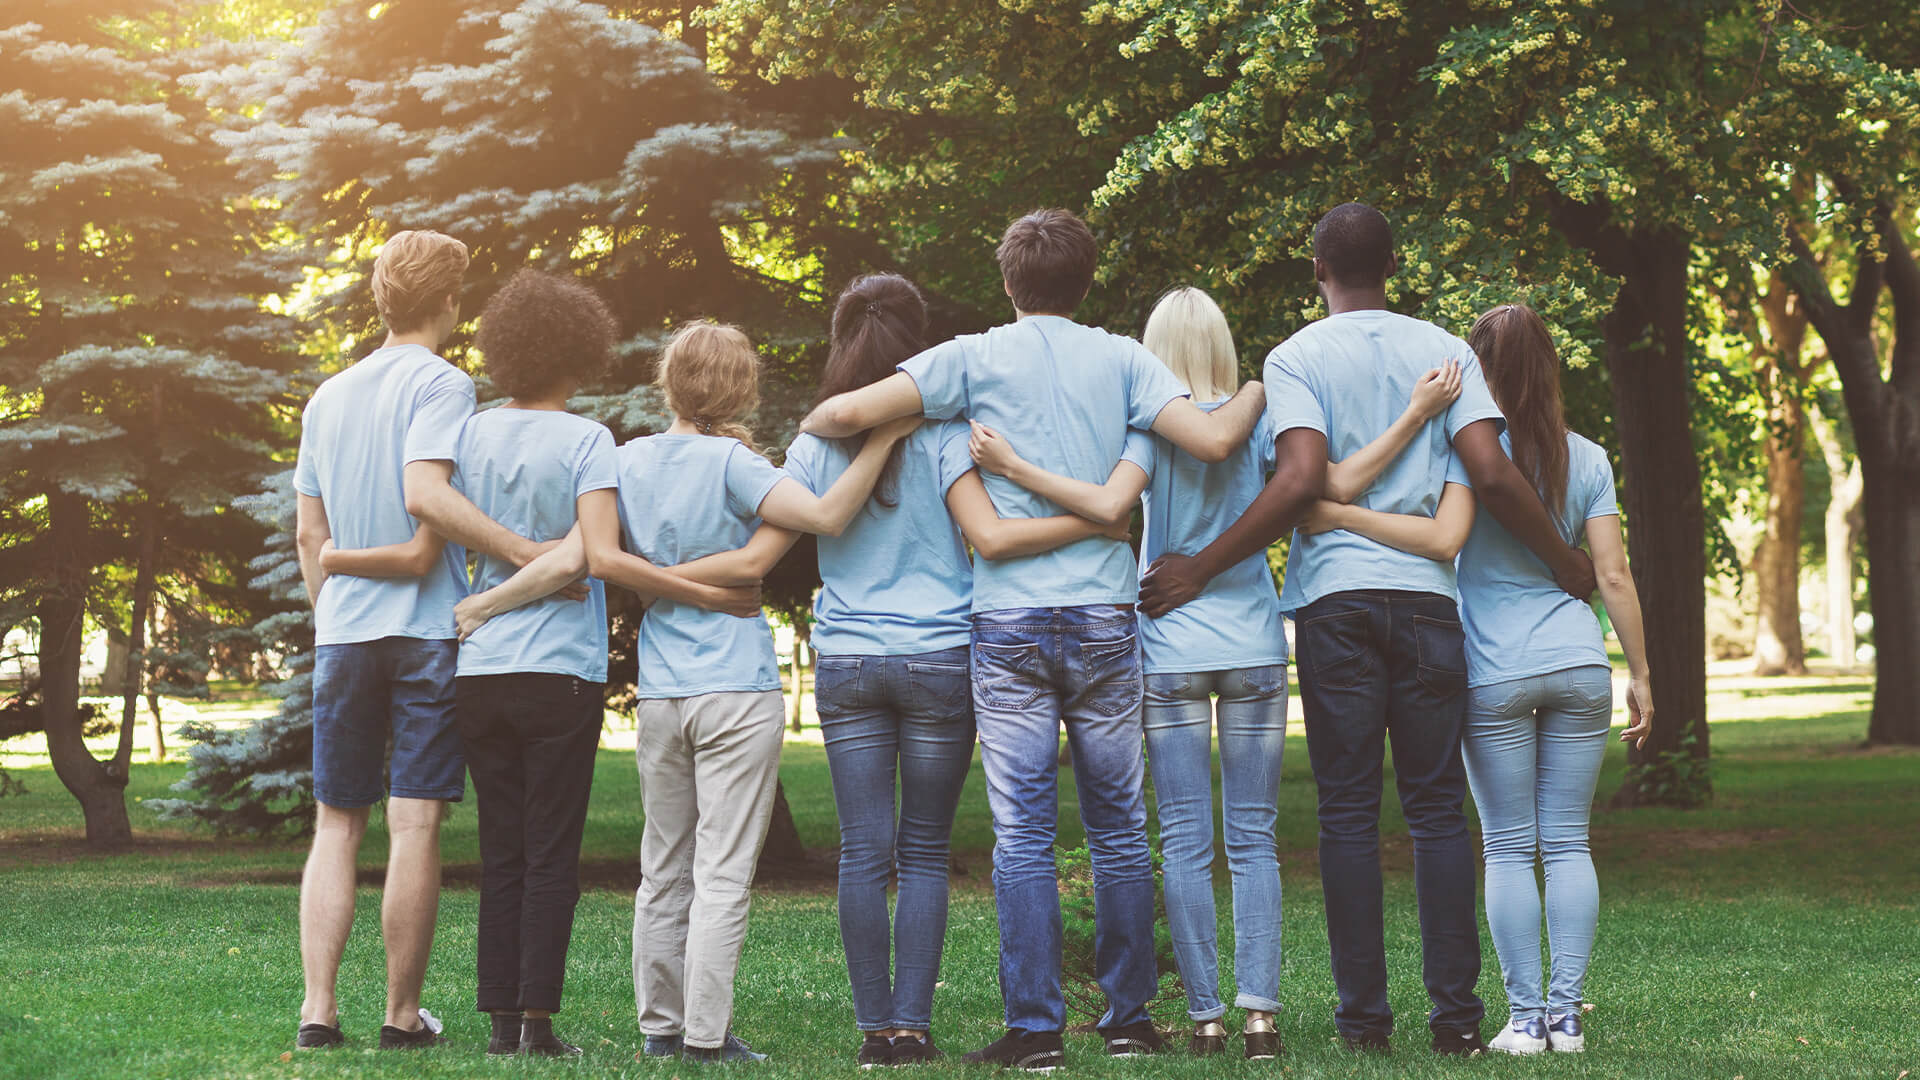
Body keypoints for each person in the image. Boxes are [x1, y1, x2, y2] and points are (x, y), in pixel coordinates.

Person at [801, 209, 1265, 1070]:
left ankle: (1037, 1031)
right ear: (1086, 281)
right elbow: (1207, 438)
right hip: (1103, 618)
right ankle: (1128, 1021)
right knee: (1122, 826)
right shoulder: (1128, 359)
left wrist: (907, 415)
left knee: (1022, 833)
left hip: (1008, 621)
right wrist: (1258, 390)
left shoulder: (970, 359)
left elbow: (839, 415)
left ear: (1008, 282)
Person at [1137, 203, 1598, 1057]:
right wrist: (1566, 559)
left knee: (1347, 813)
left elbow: (1302, 479)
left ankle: (1363, 1024)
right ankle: (1456, 1021)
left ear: (1318, 268)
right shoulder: (1447, 350)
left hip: (1334, 606)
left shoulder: (1296, 355)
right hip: (1428, 603)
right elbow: (1492, 473)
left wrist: (1197, 566)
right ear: (1396, 263)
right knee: (1436, 810)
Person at [968, 286, 1463, 1060]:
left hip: (1169, 644)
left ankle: (1204, 1017)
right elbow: (1321, 488)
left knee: (1186, 840)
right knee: (1255, 840)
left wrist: (1009, 463)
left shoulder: (1143, 422)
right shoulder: (1264, 416)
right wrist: (1407, 416)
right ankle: (1261, 1019)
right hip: (1254, 644)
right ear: (1227, 345)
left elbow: (1111, 511)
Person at [784, 273, 1145, 1067]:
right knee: (920, 848)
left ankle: (875, 1030)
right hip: (940, 656)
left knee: (859, 850)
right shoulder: (950, 435)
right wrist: (1099, 525)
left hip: (846, 658)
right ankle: (913, 1027)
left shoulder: (813, 444)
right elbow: (988, 535)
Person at [1299, 303, 1652, 1055]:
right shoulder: (1587, 458)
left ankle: (1524, 1019)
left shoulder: (1462, 453)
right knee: (1567, 842)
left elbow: (1440, 539)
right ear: (1552, 369)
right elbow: (1612, 576)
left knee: (1507, 843)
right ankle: (1567, 1019)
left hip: (1494, 670)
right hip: (1579, 664)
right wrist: (1643, 674)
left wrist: (1339, 515)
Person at [588, 321, 919, 1065]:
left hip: (663, 692)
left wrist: (674, 582)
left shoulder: (625, 460)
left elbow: (605, 560)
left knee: (661, 866)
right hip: (734, 686)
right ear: (741, 388)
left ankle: (658, 1030)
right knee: (723, 871)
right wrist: (881, 440)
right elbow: (829, 516)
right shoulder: (735, 463)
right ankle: (705, 1038)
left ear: (668, 384)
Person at [290, 229, 476, 1051]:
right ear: (448, 302)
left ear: (380, 297)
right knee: (414, 825)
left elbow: (309, 535)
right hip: (427, 632)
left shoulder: (327, 396)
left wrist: (332, 612)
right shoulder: (444, 385)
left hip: (343, 635)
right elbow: (428, 510)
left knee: (337, 823)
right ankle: (401, 1016)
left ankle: (318, 1011)